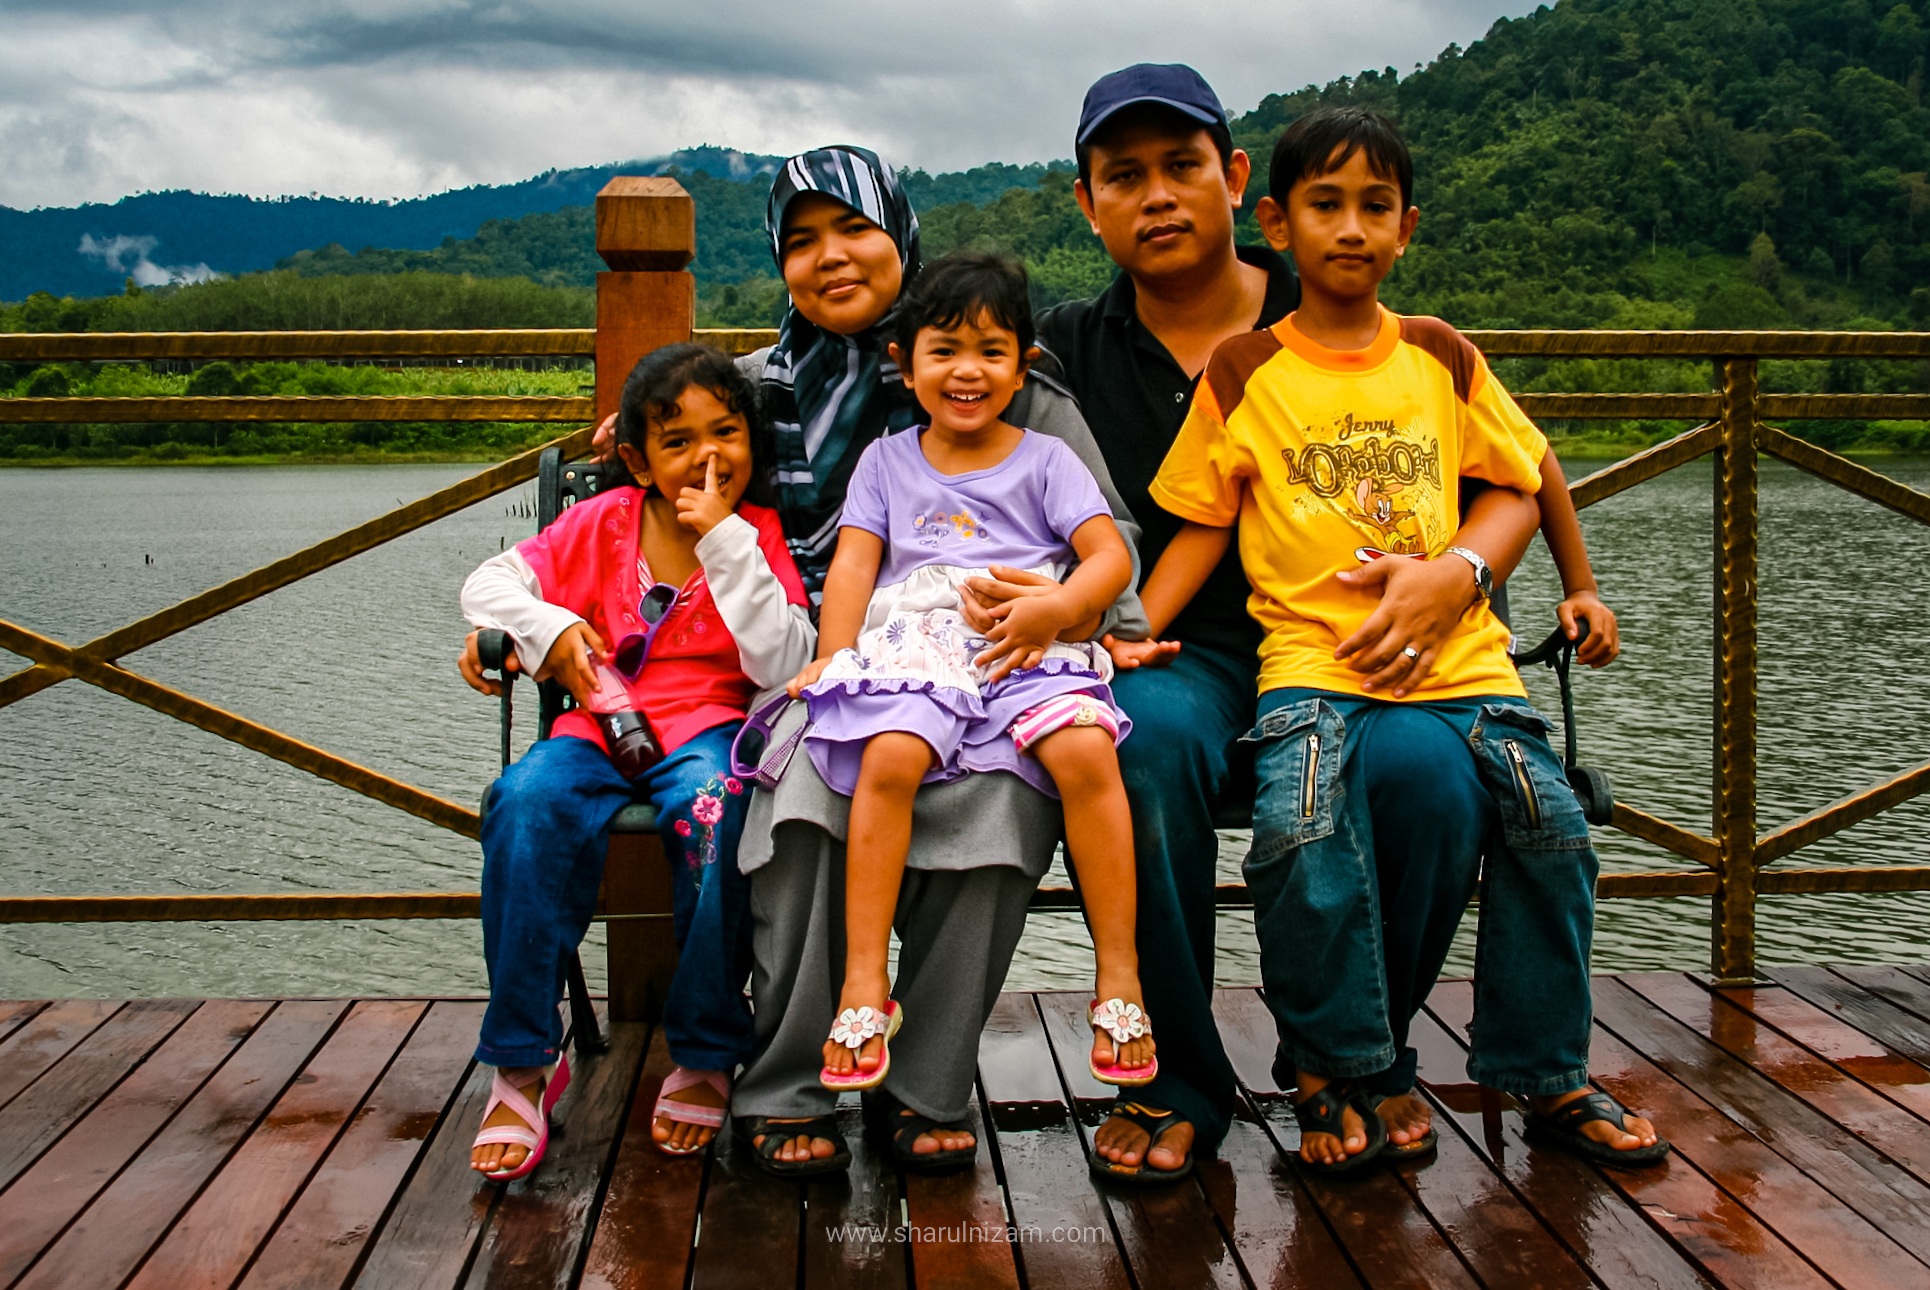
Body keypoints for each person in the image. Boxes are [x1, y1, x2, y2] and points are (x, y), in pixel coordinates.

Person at [1133, 105, 1669, 1172]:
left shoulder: (1438, 355)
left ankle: (1546, 1066)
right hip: (1311, 673)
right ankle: (1332, 1064)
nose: (1350, 229)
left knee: (1552, 836)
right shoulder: (1244, 370)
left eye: (1374, 207)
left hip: (1462, 669)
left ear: (1407, 227)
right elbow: (1199, 524)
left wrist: (1583, 585)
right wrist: (1124, 634)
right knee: (1301, 845)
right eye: (1325, 205)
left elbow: (1528, 468)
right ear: (1276, 225)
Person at [718, 146, 1152, 1178]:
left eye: (854, 230)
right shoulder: (747, 390)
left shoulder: (1025, 403)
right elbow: (650, 477)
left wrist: (1070, 618)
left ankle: (927, 1081)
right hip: (829, 658)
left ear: (899, 239)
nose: (830, 257)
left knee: (1003, 804)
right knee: (808, 807)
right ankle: (791, 1081)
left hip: (1003, 661)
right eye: (801, 240)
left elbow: (1105, 556)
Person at [786, 251, 1153, 1103]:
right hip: (918, 643)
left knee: (1086, 754)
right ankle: (864, 983)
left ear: (1023, 363)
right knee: (891, 759)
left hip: (1026, 640)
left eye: (991, 350)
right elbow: (853, 568)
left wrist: (1060, 608)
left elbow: (1107, 559)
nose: (967, 370)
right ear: (904, 363)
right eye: (943, 349)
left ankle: (1120, 977)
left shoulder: (1047, 459)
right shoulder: (885, 461)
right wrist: (835, 656)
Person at [458, 343, 813, 1176]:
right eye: (678, 440)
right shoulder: (602, 522)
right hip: (597, 729)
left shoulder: (757, 534)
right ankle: (521, 1061)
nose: (706, 455)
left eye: (726, 432)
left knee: (717, 810)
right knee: (524, 804)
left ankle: (702, 1049)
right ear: (635, 458)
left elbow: (782, 658)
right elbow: (488, 585)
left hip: (713, 728)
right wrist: (551, 630)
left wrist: (724, 543)